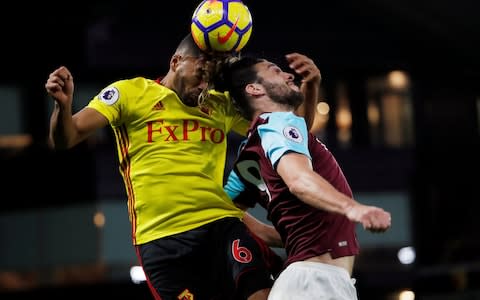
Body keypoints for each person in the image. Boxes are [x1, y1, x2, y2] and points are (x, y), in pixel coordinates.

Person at [45, 33, 321, 299]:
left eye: (210, 80)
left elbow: (291, 133)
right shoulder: (129, 93)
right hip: (160, 238)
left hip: (220, 226)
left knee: (259, 293)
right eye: (200, 75)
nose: (204, 85)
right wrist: (62, 107)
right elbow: (66, 138)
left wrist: (310, 88)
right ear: (176, 62)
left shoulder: (220, 106)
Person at [219, 56, 392, 300]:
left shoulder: (254, 151)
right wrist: (353, 209)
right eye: (275, 70)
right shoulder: (278, 124)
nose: (289, 74)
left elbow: (225, 211)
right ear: (254, 88)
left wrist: (311, 87)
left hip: (305, 281)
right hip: (315, 283)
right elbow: (299, 180)